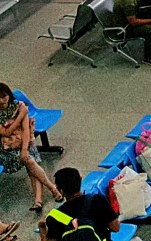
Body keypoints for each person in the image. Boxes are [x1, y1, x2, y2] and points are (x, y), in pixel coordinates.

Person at [1, 83, 60, 213]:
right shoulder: (21, 110)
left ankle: (38, 201)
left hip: (25, 142)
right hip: (7, 150)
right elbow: (4, 133)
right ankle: (52, 188)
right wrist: (20, 117)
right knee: (30, 161)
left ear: (9, 95)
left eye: (4, 96)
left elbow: (26, 130)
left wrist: (24, 149)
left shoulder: (19, 106)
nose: (1, 101)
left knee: (29, 160)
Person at [42, 167, 118, 241]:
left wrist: (43, 232)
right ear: (81, 180)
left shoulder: (54, 217)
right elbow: (115, 228)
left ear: (60, 190)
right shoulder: (98, 200)